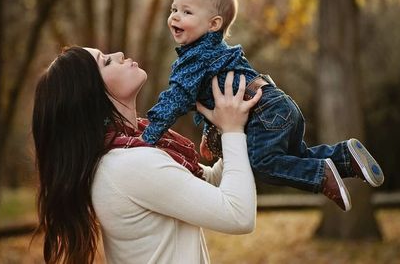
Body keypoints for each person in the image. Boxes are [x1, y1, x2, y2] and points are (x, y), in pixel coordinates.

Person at [141, 0, 385, 212]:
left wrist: (146, 138)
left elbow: (174, 100)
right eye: (174, 9)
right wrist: (209, 133)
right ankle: (345, 157)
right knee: (295, 157)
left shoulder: (193, 59)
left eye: (186, 12)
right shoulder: (217, 52)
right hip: (277, 103)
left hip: (262, 113)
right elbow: (214, 96)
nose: (175, 17)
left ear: (214, 24)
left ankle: (321, 176)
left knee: (261, 164)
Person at [32, 46, 262, 264]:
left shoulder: (134, 150)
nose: (119, 54)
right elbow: (238, 215)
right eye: (106, 61)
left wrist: (228, 130)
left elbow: (208, 183)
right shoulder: (128, 165)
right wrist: (232, 131)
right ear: (91, 95)